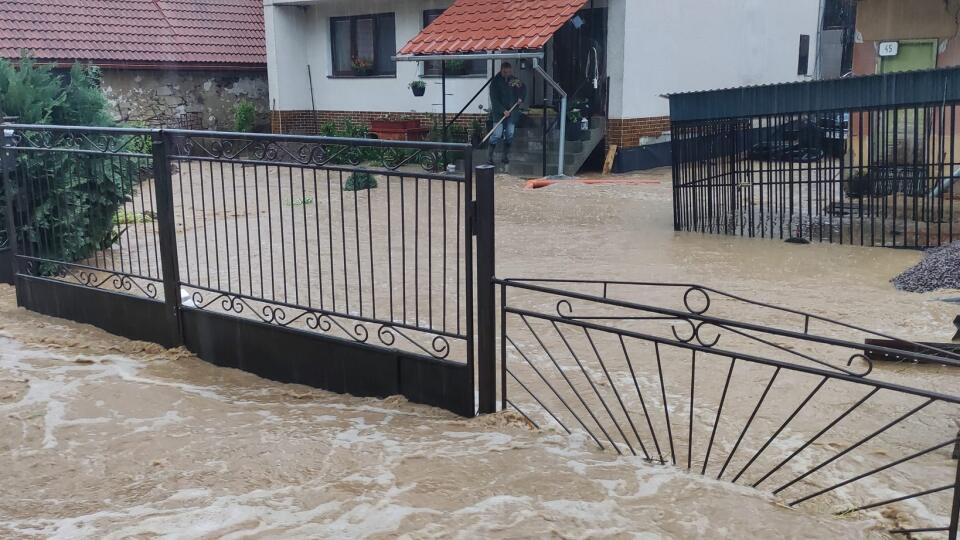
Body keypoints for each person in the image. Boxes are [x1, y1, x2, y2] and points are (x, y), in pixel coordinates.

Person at [488, 62, 525, 165]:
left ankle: (505, 156)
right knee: (497, 134)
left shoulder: (513, 80)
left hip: (511, 113)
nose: (507, 74)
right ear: (501, 70)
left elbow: (523, 88)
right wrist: (502, 110)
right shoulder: (495, 82)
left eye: (509, 72)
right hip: (499, 114)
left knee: (510, 134)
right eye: (505, 72)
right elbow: (494, 99)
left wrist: (521, 98)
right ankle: (489, 157)